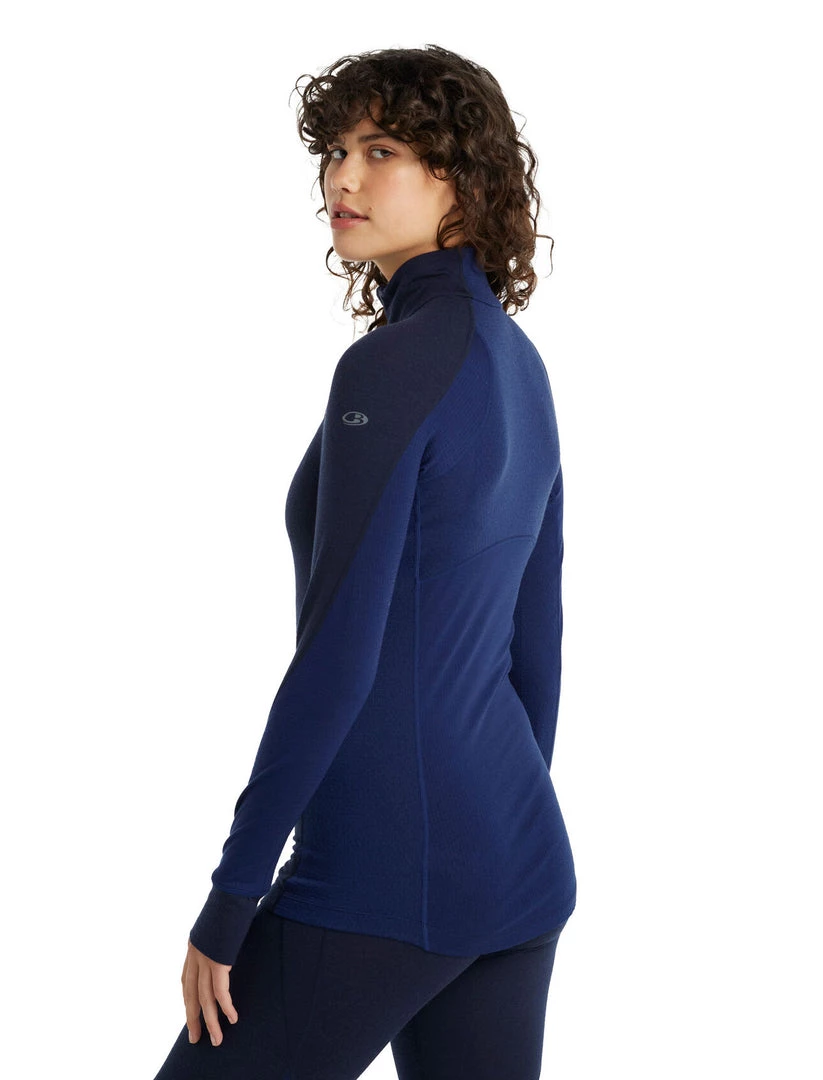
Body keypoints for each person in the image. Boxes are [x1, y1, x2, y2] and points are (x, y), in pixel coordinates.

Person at [152, 43, 577, 1080]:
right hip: (516, 856)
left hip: (382, 873)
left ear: (460, 180)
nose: (341, 177)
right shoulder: (516, 362)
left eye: (381, 150)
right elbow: (537, 645)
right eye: (335, 150)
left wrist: (235, 890)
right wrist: (488, 827)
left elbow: (339, 654)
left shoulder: (392, 366)